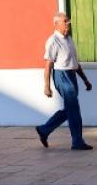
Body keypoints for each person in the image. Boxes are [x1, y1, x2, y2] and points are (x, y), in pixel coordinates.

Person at [35, 12, 93, 150]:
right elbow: (48, 65)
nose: (68, 24)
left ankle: (44, 130)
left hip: (71, 75)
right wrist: (46, 86)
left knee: (70, 109)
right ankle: (77, 142)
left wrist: (85, 80)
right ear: (56, 24)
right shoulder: (53, 41)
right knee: (74, 109)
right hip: (61, 76)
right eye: (65, 22)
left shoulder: (69, 39)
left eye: (68, 21)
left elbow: (75, 63)